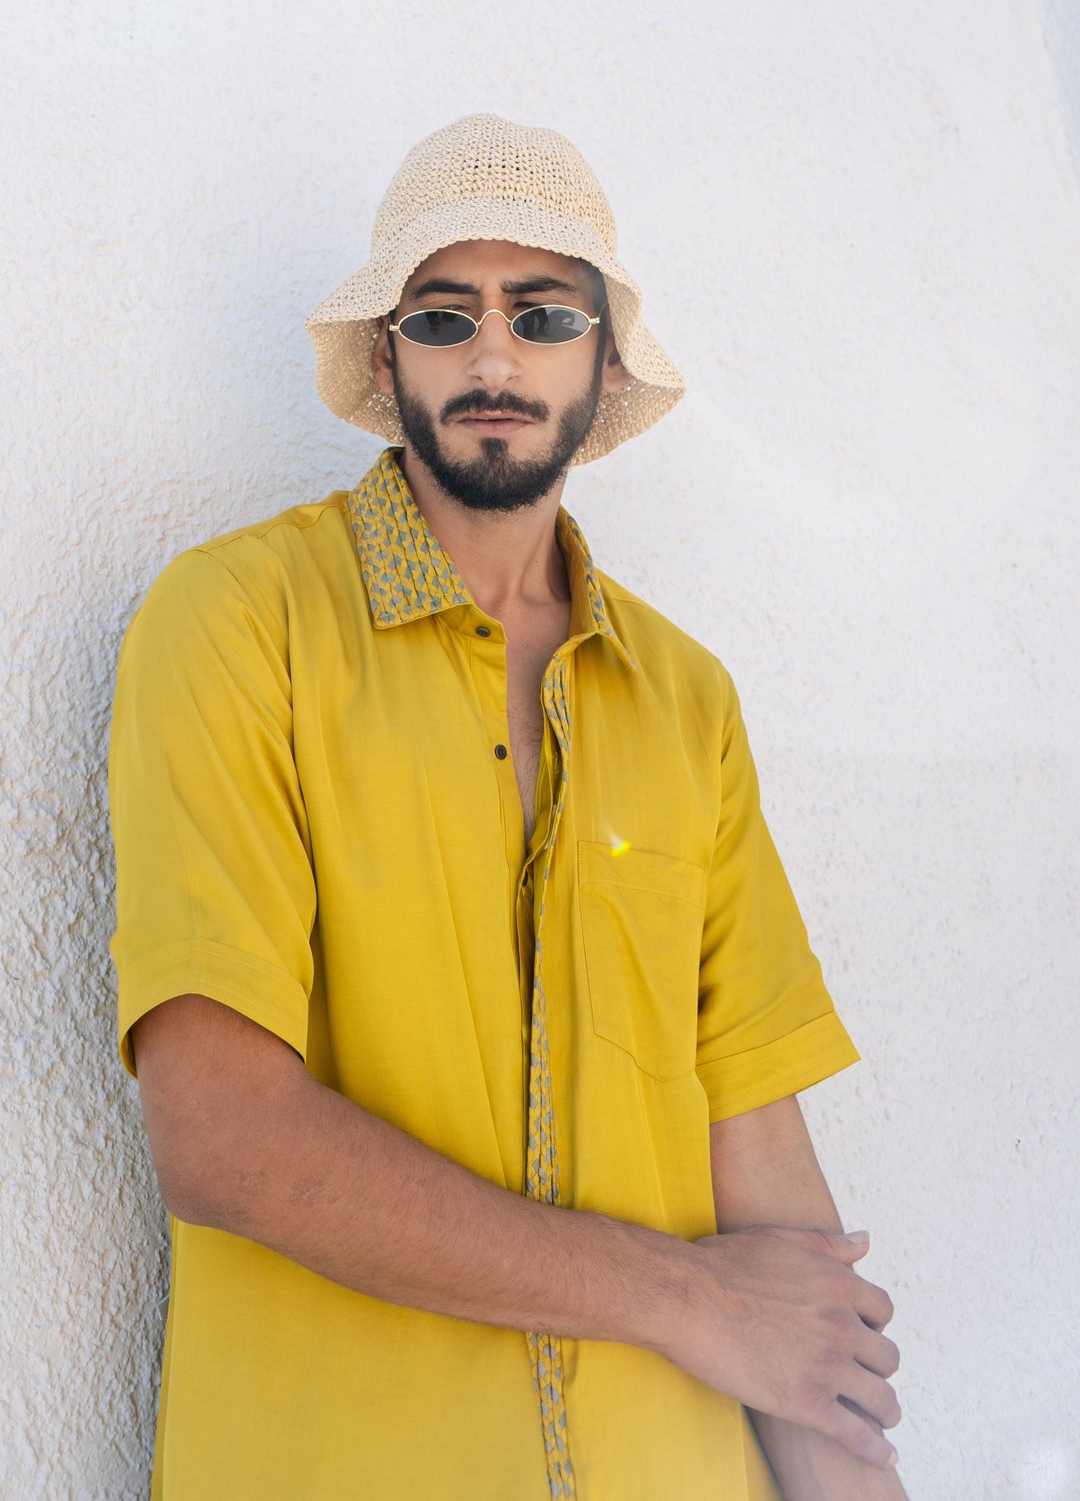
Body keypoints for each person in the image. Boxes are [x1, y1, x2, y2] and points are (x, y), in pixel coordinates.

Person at [109, 114, 907, 1500]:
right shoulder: (238, 623)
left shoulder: (687, 699)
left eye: (544, 314)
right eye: (443, 314)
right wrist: (686, 1298)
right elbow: (222, 1135)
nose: (493, 357)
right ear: (385, 356)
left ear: (601, 370)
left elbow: (762, 1160)